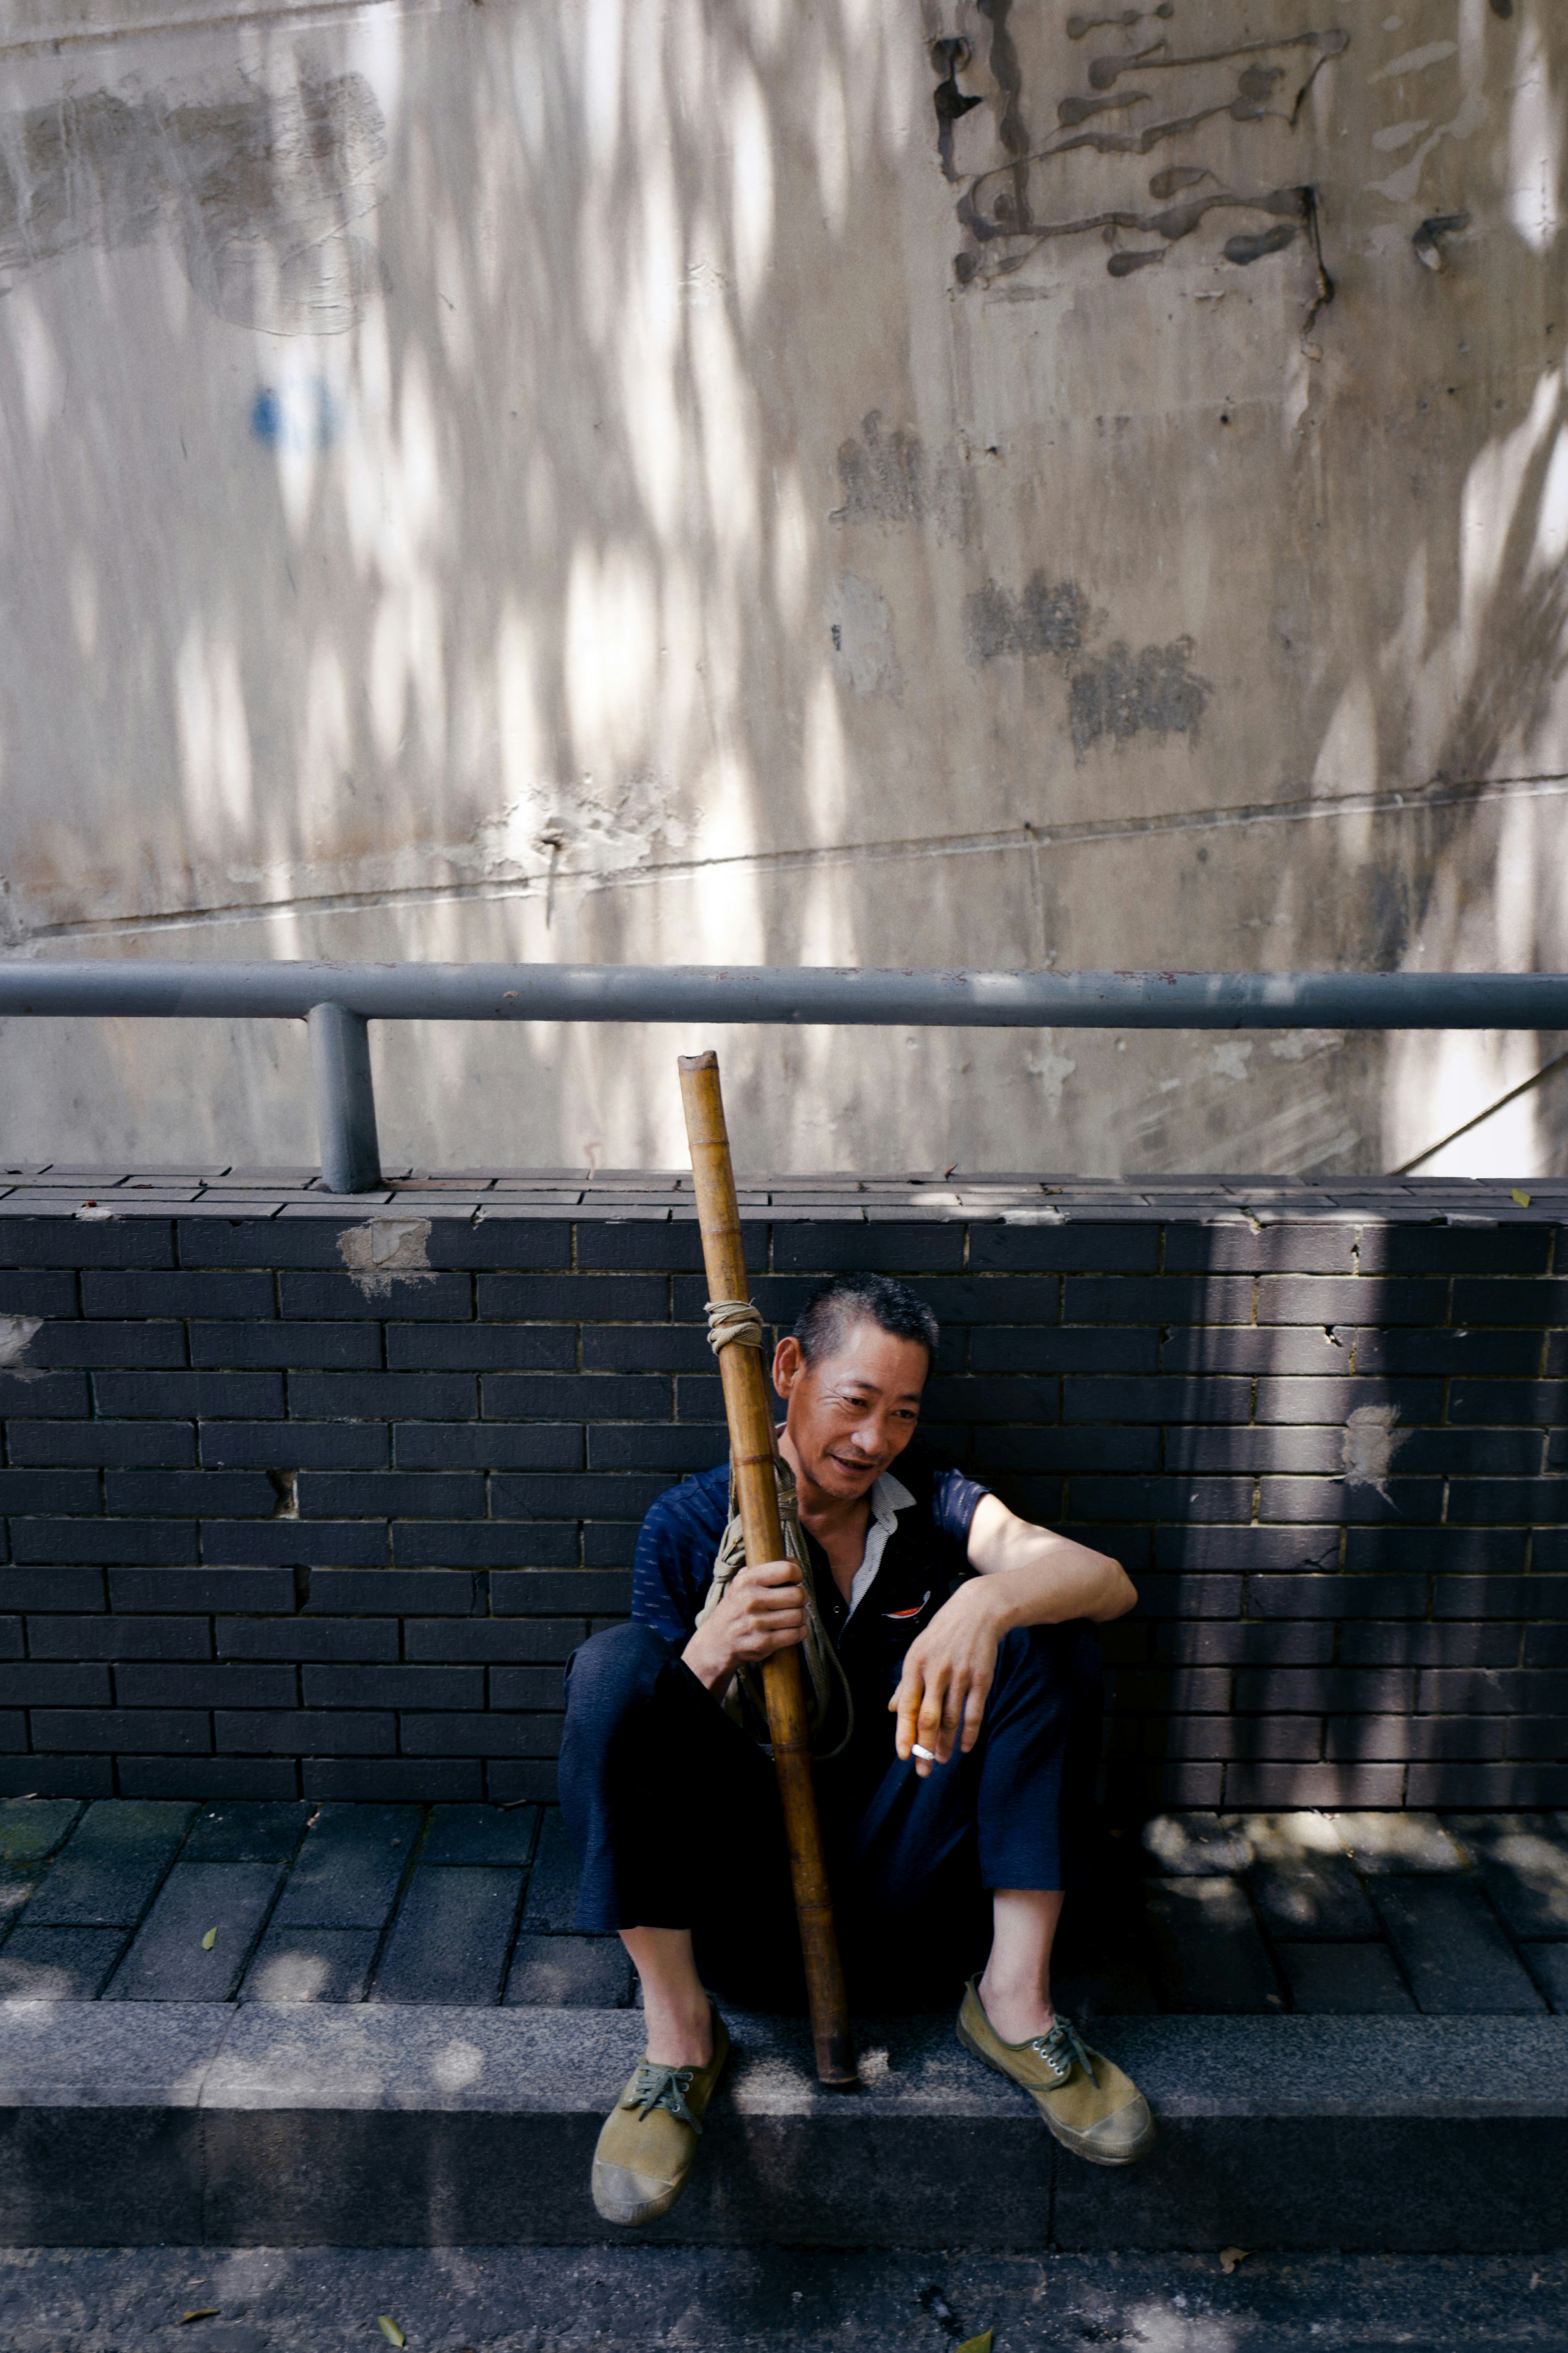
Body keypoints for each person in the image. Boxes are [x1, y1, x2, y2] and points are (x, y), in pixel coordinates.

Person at [558, 1270, 1155, 2226]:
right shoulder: (688, 1524)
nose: (876, 1439)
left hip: (909, 1886)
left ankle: (1014, 2001)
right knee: (614, 1669)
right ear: (788, 1370)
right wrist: (712, 1653)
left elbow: (1108, 1579)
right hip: (745, 1906)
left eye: (903, 1413)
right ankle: (680, 2042)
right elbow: (637, 1754)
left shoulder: (937, 1507)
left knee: (1052, 1633)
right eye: (857, 1402)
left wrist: (986, 1599)